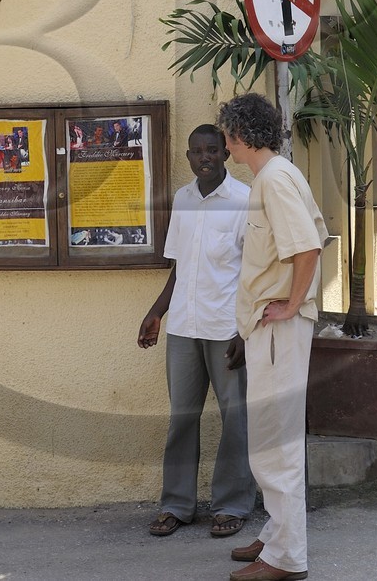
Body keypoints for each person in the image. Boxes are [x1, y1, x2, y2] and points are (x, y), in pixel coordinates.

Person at [217, 93, 327, 581]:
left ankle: (286, 558)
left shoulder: (275, 179)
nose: (224, 145)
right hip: (271, 328)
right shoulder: (274, 175)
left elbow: (307, 249)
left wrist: (291, 302)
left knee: (275, 442)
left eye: (227, 136)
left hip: (278, 329)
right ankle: (278, 536)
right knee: (270, 438)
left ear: (240, 136)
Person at [137, 125, 255, 539]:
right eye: (196, 152)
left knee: (234, 418)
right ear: (188, 157)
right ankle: (176, 504)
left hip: (226, 327)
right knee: (182, 419)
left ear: (225, 153)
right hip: (184, 327)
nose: (204, 157)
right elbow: (179, 265)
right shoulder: (183, 200)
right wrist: (156, 312)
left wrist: (245, 330)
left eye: (211, 150)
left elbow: (254, 274)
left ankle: (232, 504)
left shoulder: (244, 201)